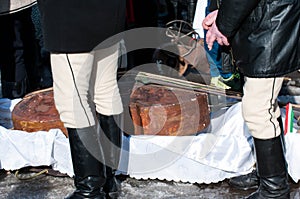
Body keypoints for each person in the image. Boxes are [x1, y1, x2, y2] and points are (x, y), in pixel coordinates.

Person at [202, 0, 299, 198]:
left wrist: (224, 23)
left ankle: (274, 190)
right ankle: (269, 175)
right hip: (265, 21)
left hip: (272, 24)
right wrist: (223, 14)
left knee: (257, 109)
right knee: (264, 107)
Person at [37, 1, 126, 198]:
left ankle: (90, 190)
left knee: (72, 101)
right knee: (105, 89)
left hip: (71, 17)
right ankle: (108, 180)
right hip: (108, 14)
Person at [0, 0, 40, 99]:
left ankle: (15, 98)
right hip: (19, 5)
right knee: (24, 40)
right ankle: (32, 91)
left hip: (10, 7)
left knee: (12, 49)